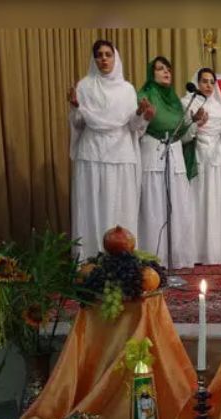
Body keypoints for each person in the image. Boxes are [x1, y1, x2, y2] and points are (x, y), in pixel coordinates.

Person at [68, 40, 153, 259]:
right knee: (91, 208)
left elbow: (134, 127)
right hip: (92, 154)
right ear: (94, 59)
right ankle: (90, 261)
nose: (104, 59)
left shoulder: (127, 89)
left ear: (116, 58)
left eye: (108, 54)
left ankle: (122, 263)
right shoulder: (84, 86)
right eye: (99, 55)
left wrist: (141, 115)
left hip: (120, 154)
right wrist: (75, 108)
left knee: (120, 208)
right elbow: (78, 124)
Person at [137, 56, 204, 269]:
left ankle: (176, 258)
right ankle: (154, 259)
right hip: (153, 154)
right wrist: (144, 117)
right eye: (160, 69)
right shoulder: (144, 95)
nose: (166, 72)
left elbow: (181, 135)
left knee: (177, 206)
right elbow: (135, 129)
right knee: (154, 207)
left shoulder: (175, 101)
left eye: (168, 69)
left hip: (175, 156)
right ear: (151, 73)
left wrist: (193, 123)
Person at [181, 68, 221, 265]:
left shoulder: (220, 108)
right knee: (200, 201)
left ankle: (219, 251)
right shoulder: (187, 102)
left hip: (219, 157)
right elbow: (183, 135)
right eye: (204, 81)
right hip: (198, 155)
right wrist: (196, 123)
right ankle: (198, 252)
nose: (208, 85)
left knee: (219, 202)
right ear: (197, 82)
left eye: (211, 82)